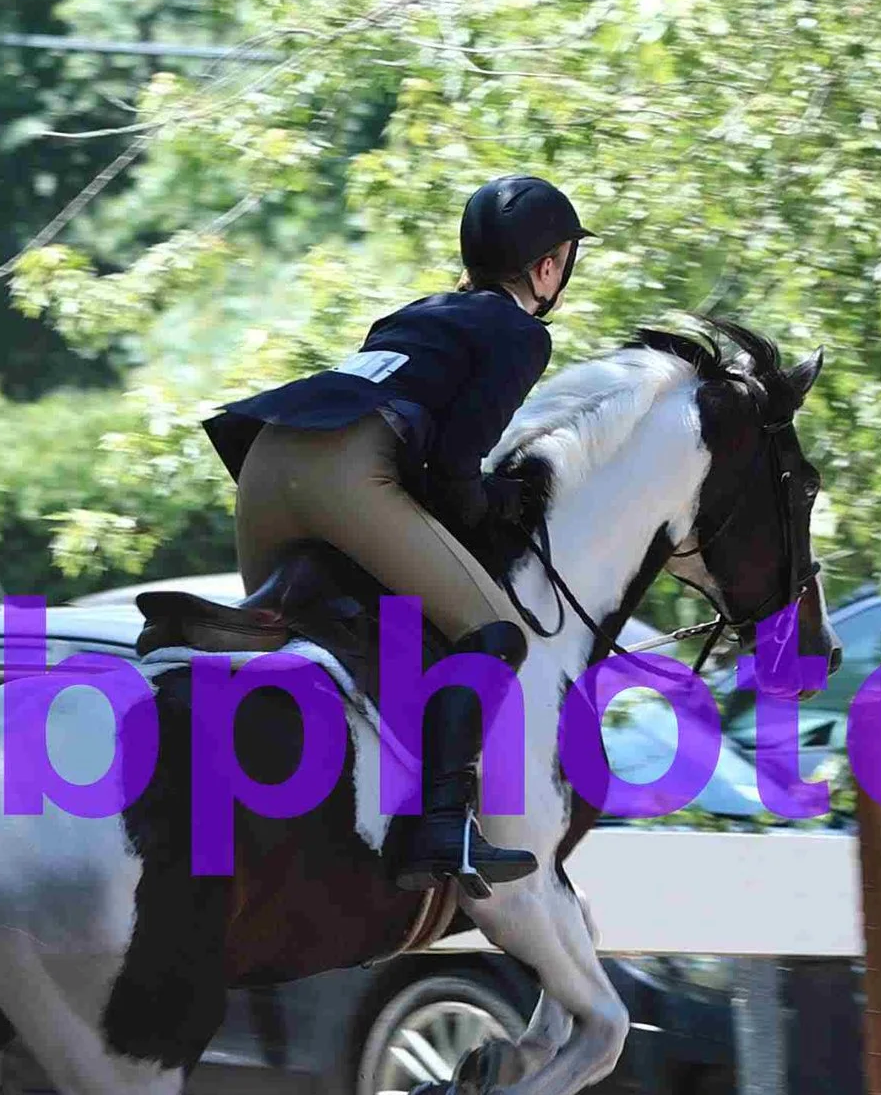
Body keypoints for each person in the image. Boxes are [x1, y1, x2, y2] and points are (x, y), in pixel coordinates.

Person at [200, 175, 594, 897]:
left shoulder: (417, 314)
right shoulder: (520, 333)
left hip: (264, 466)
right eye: (565, 260)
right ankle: (441, 826)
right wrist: (499, 505)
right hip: (344, 472)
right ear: (546, 267)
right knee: (493, 634)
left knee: (296, 641)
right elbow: (453, 467)